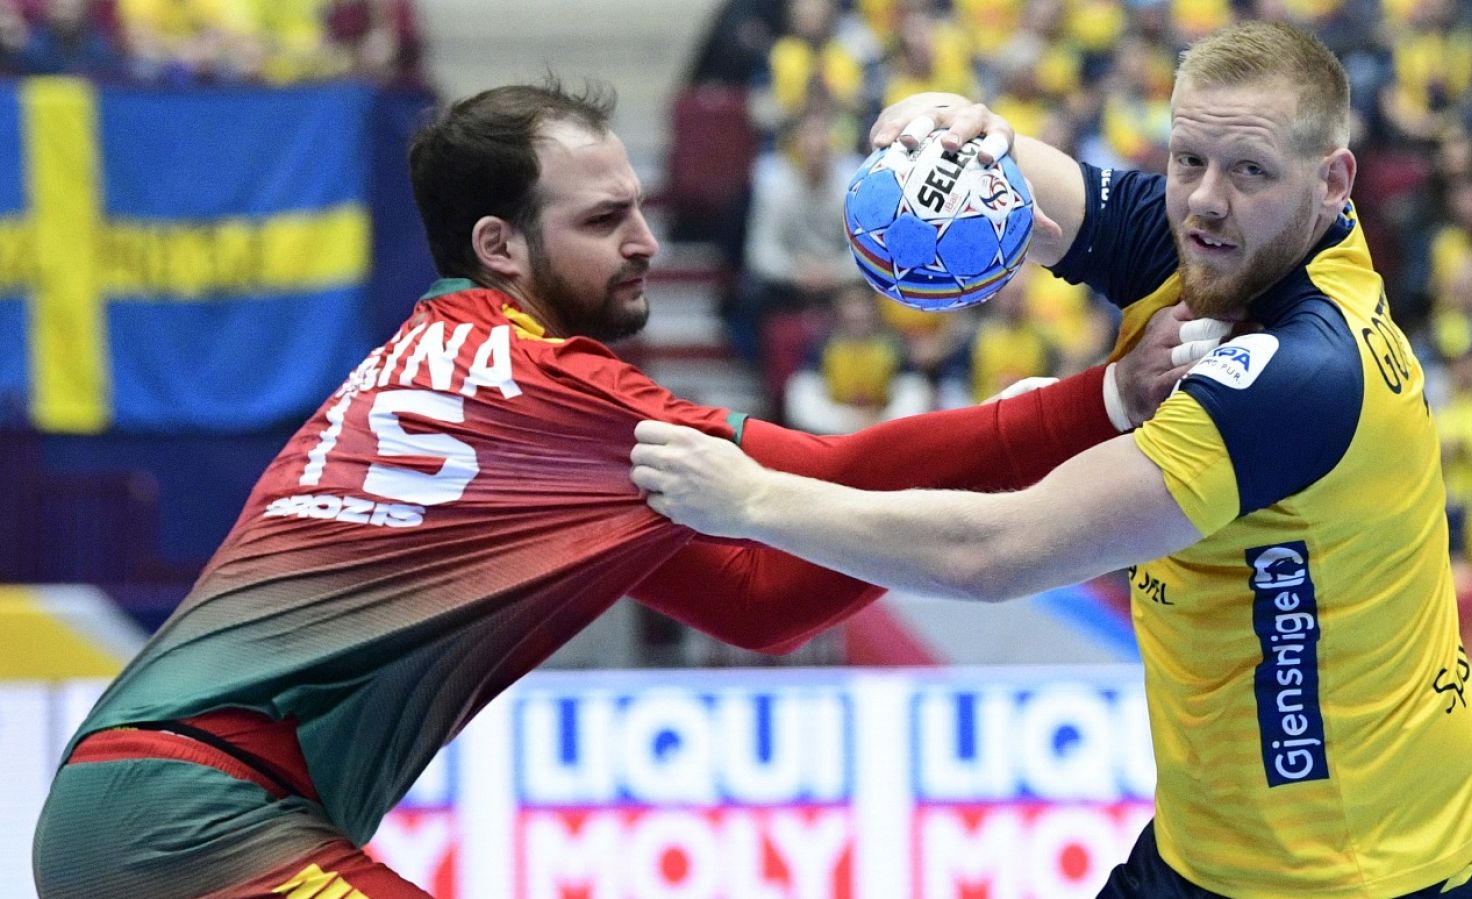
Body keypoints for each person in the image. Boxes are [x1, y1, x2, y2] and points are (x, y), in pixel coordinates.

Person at [32, 78, 1215, 898]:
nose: (648, 238)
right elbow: (823, 477)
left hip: (150, 805)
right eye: (606, 219)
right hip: (190, 812)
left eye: (642, 204)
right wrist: (1098, 404)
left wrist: (847, 524)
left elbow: (758, 592)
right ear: (501, 246)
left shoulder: (455, 366)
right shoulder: (540, 383)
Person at [631, 22, 1472, 898]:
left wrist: (751, 502)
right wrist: (938, 121)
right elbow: (988, 156)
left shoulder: (1301, 372)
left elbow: (995, 553)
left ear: (1333, 182)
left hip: (1359, 874)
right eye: (1186, 159)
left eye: (1248, 171)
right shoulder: (1212, 244)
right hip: (1215, 849)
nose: (1203, 199)